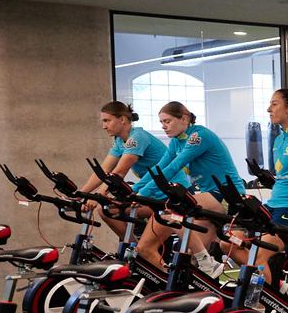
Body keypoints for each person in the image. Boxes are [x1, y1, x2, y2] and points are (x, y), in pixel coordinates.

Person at [227, 89, 288, 286]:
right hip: (274, 205)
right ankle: (274, 288)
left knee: (258, 258)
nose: (268, 109)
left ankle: (263, 306)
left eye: (274, 104)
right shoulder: (280, 139)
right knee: (228, 243)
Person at [133, 102, 242, 276]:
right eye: (161, 122)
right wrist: (135, 190)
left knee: (171, 211)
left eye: (167, 121)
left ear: (184, 118)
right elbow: (159, 168)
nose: (163, 126)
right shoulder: (177, 142)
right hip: (207, 196)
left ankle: (209, 263)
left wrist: (142, 193)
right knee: (189, 261)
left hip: (227, 196)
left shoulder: (198, 136)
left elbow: (174, 167)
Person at [78, 101, 169, 239]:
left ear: (122, 119)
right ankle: (135, 250)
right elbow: (103, 171)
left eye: (107, 121)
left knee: (108, 209)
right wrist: (80, 194)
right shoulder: (120, 141)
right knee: (107, 209)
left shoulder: (137, 137)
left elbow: (119, 172)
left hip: (167, 195)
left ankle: (137, 251)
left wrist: (98, 196)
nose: (104, 126)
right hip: (151, 192)